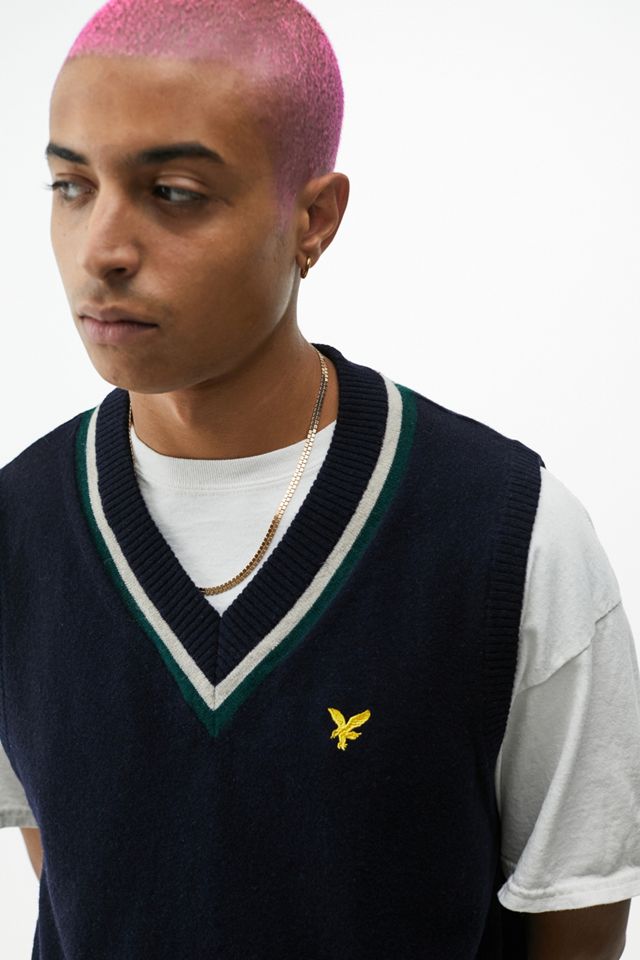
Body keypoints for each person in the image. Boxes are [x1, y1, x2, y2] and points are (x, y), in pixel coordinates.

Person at [0, 1, 638, 957]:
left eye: (173, 192)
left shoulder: (505, 534)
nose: (102, 249)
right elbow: (88, 882)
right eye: (71, 186)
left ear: (314, 219)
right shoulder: (18, 531)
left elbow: (576, 922)